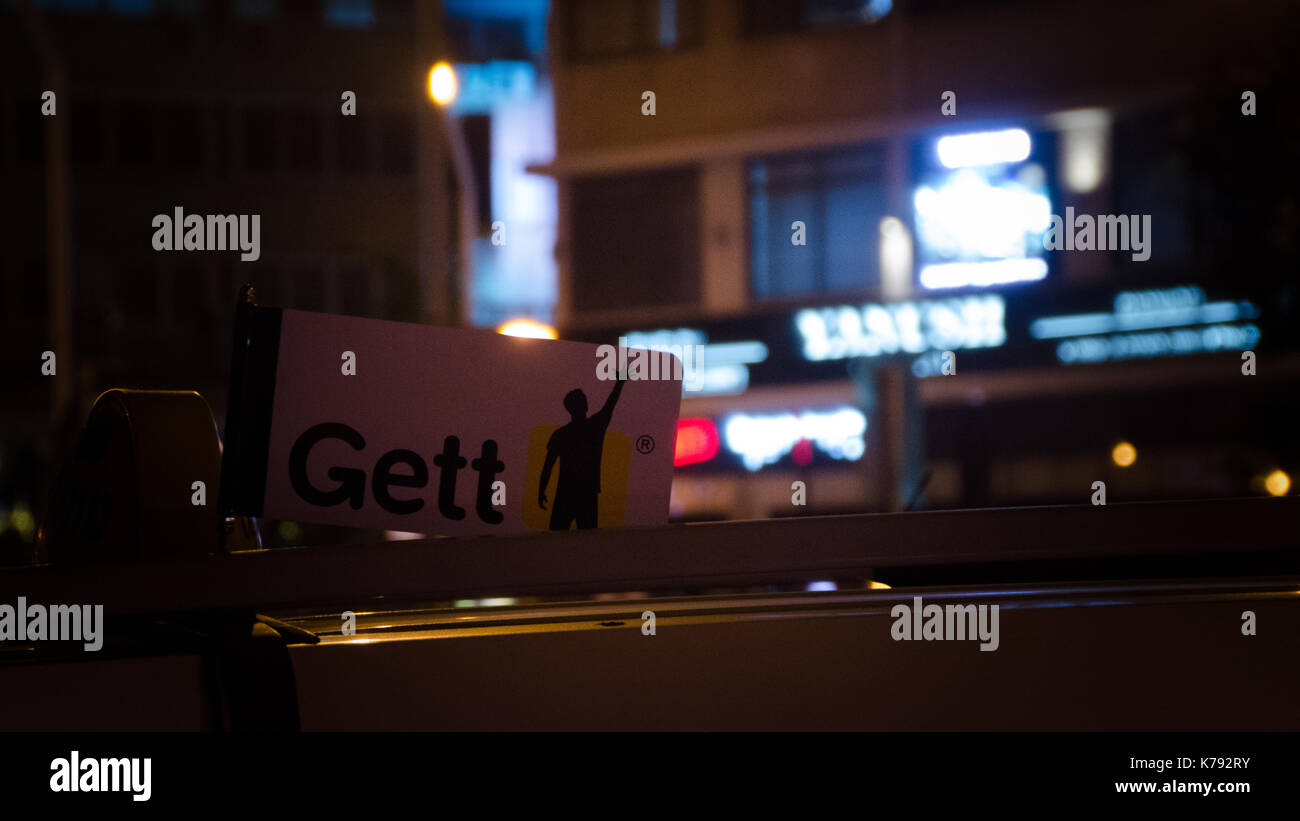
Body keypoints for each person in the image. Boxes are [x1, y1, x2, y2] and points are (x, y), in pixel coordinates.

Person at [538, 374, 625, 529]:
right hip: (587, 494)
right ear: (585, 406)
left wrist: (541, 490)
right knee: (588, 540)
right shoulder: (595, 427)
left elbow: (548, 467)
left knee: (556, 539)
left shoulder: (561, 435)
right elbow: (610, 404)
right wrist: (620, 382)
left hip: (566, 494)